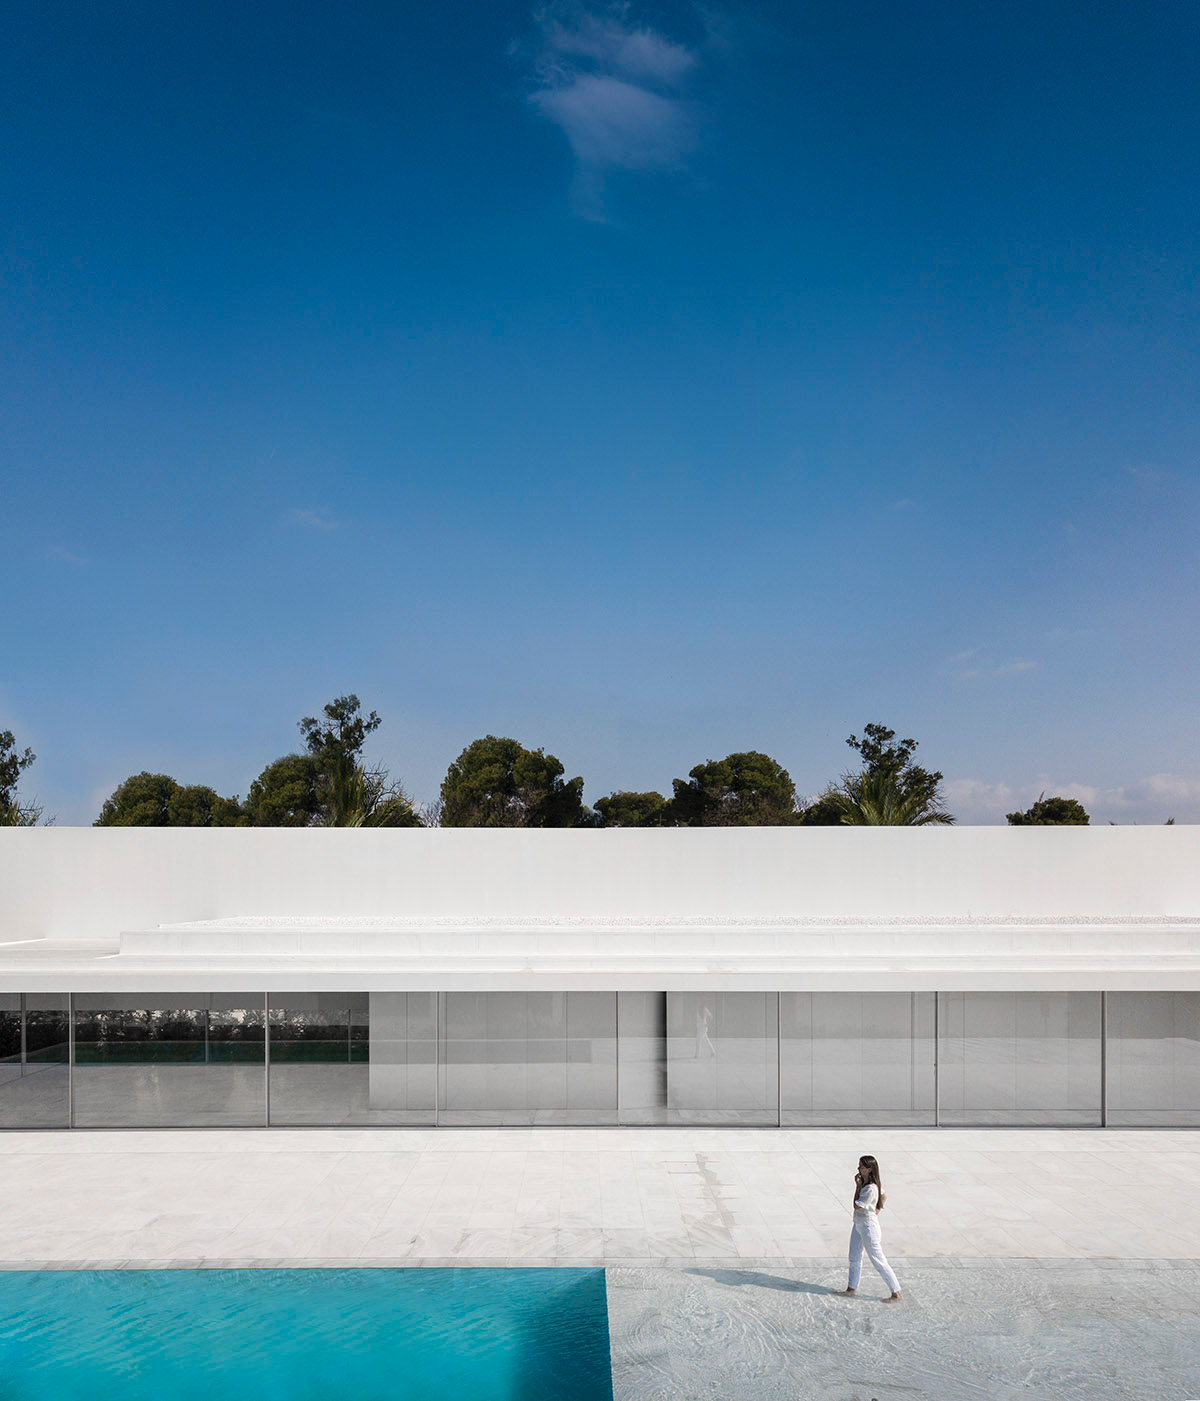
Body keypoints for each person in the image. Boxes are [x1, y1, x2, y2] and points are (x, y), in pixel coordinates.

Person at [837, 1154, 902, 1302]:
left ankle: (896, 1293)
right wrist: (876, 1211)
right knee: (854, 1256)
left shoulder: (870, 1188)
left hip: (868, 1228)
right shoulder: (870, 1183)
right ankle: (851, 1288)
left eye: (861, 1166)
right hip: (859, 1225)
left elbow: (856, 1205)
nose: (858, 1168)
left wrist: (857, 1187)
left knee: (878, 1259)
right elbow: (884, 1196)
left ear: (869, 1169)